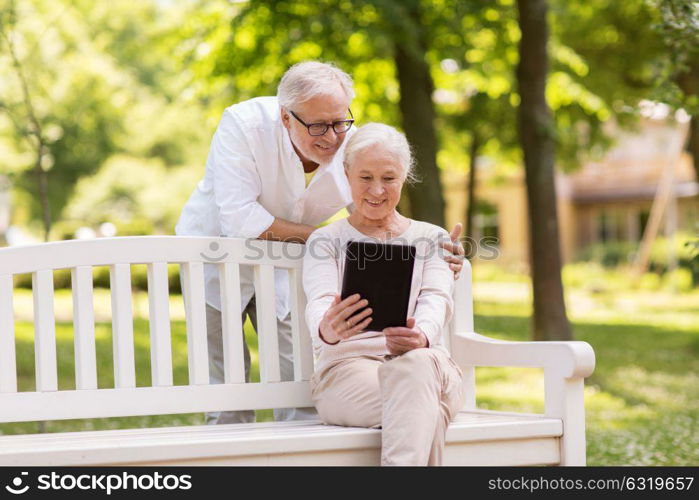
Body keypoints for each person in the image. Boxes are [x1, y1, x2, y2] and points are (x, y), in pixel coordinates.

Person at [175, 61, 465, 425]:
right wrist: (325, 242)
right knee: (226, 385)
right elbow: (240, 219)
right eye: (317, 126)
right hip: (216, 260)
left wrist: (432, 251)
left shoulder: (350, 142)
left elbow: (375, 215)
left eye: (340, 122)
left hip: (287, 266)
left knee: (298, 376)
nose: (332, 137)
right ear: (285, 118)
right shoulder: (243, 125)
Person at [303, 123, 464, 465]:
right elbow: (319, 302)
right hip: (348, 373)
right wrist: (327, 329)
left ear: (404, 177)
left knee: (418, 365)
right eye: (365, 177)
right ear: (347, 174)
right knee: (425, 410)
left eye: (388, 178)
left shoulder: (432, 238)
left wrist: (421, 336)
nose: (377, 190)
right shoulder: (326, 241)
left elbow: (437, 299)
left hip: (429, 367)